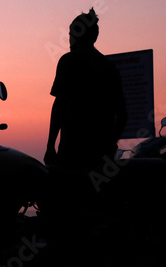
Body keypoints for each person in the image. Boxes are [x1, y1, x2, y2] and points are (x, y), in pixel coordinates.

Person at [44, 8, 127, 173]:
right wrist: (111, 144)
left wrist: (50, 146)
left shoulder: (69, 61)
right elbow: (123, 114)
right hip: (101, 156)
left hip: (72, 151)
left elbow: (59, 106)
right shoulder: (110, 68)